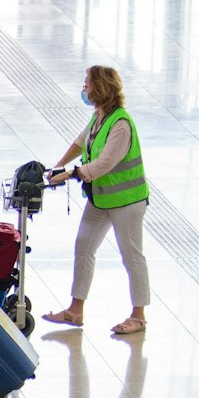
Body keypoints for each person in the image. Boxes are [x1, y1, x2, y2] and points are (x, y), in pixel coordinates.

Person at [43, 65, 150, 335]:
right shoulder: (100, 117)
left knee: (131, 256)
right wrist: (56, 166)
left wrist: (71, 173)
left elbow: (104, 164)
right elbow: (81, 143)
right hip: (102, 198)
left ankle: (138, 316)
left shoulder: (121, 124)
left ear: (100, 88)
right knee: (83, 246)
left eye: (87, 84)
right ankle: (75, 310)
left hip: (126, 201)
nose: (84, 88)